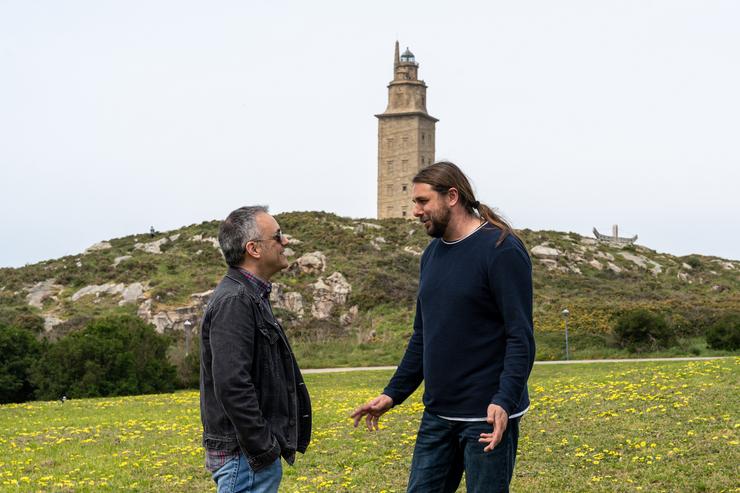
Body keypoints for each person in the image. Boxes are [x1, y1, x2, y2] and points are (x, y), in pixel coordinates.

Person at [351, 162, 535, 493]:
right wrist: (392, 394)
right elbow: (424, 336)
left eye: (422, 201)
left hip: (488, 416)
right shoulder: (432, 254)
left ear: (452, 196)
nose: (415, 211)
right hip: (439, 414)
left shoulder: (501, 249)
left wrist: (504, 400)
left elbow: (520, 336)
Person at [200, 206, 311, 493]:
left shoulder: (250, 295)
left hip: (248, 456)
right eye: (278, 236)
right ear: (254, 249)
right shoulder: (236, 300)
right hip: (246, 458)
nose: (285, 242)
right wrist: (263, 446)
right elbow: (232, 384)